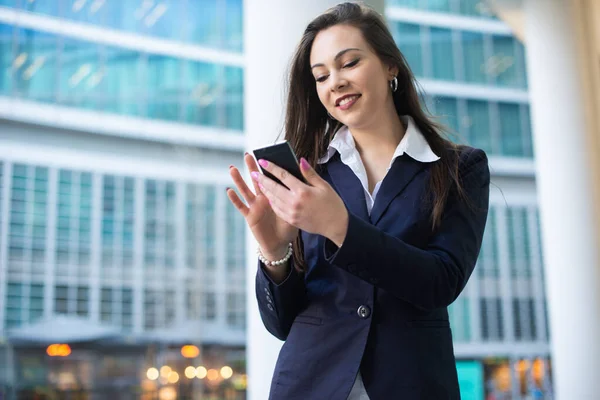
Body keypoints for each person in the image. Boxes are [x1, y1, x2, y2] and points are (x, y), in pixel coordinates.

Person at [226, 2, 490, 399]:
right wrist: (274, 252)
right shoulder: (311, 173)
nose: (334, 82)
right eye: (321, 76)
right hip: (309, 385)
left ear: (390, 66)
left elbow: (441, 281)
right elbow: (282, 324)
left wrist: (339, 227)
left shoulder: (457, 168)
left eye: (349, 63)